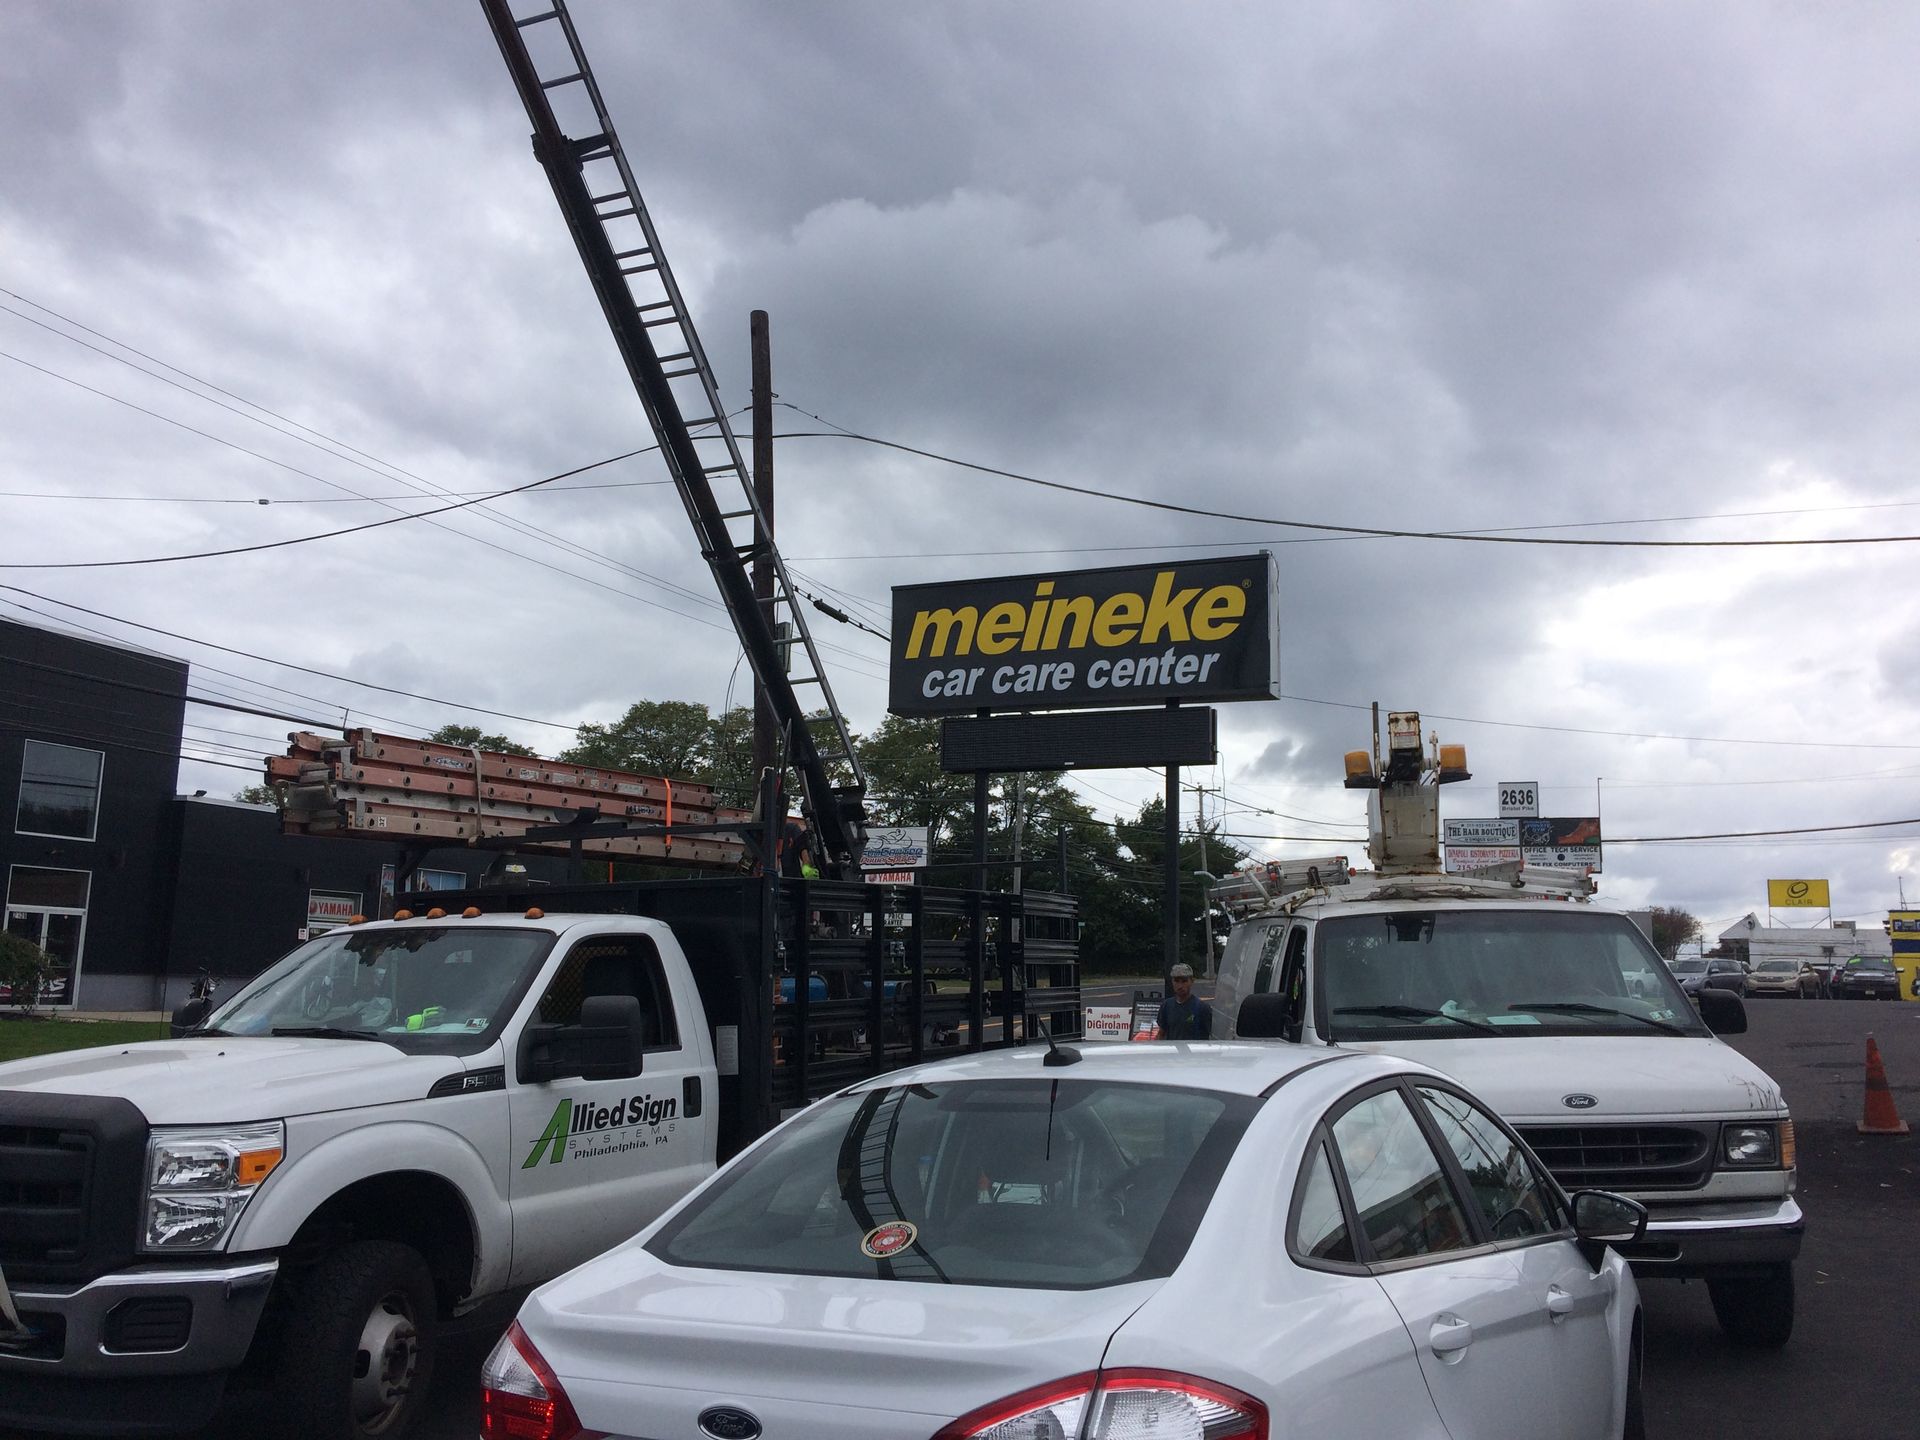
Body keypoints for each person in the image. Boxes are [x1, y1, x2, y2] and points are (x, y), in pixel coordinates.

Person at [1157, 962, 1212, 1040]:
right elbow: (1161, 1033)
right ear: (1172, 981)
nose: (1180, 986)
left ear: (1192, 981)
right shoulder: (1166, 1005)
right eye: (1176, 981)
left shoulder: (1202, 1008)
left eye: (1184, 981)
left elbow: (1208, 1037)